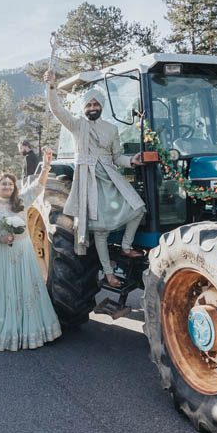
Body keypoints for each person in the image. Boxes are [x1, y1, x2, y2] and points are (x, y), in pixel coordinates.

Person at [44, 70, 146, 288]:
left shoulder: (111, 129)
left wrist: (132, 161)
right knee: (100, 230)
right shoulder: (76, 124)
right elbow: (57, 110)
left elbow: (117, 156)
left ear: (101, 106)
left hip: (109, 175)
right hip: (88, 178)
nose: (92, 108)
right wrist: (52, 87)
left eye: (95, 105)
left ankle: (126, 246)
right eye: (88, 105)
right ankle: (109, 273)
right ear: (84, 108)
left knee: (138, 208)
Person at [0, 160, 62, 351]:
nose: (7, 186)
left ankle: (27, 331)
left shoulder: (22, 201)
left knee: (24, 289)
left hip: (22, 252)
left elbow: (38, 185)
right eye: (3, 184)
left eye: (10, 184)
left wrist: (45, 167)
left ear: (14, 187)